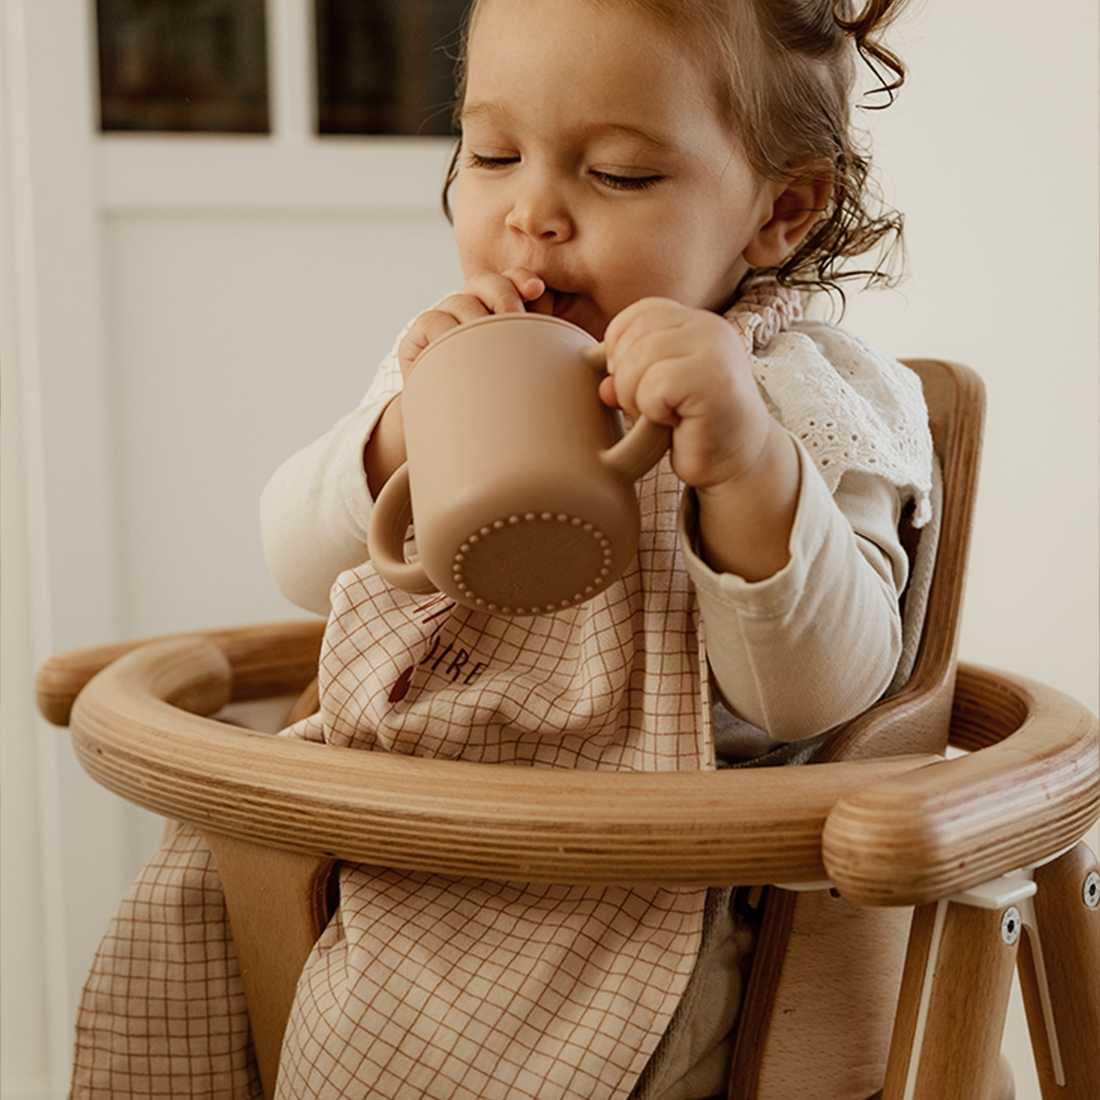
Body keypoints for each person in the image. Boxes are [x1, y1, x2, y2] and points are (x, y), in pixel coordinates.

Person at [70, 2, 934, 1099]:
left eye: (618, 174)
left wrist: (751, 466)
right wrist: (397, 433)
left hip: (657, 884)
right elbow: (296, 555)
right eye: (490, 153)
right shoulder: (454, 354)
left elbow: (819, 690)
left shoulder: (799, 398)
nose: (531, 213)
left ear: (781, 208)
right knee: (218, 897)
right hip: (417, 843)